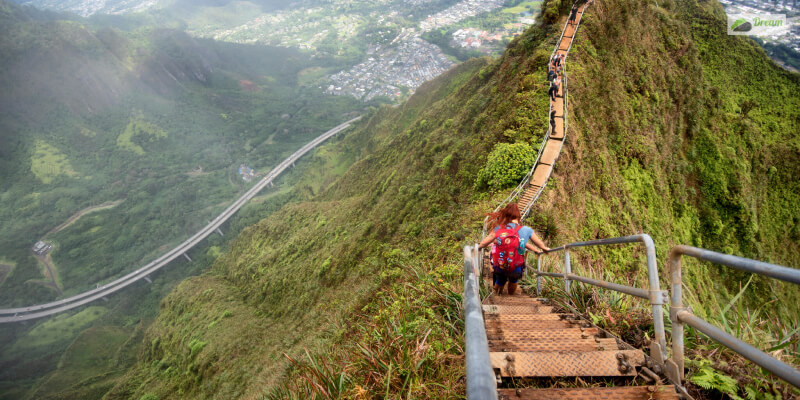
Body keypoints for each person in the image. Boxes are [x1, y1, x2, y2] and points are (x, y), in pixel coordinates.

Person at [478, 203, 549, 295]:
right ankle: (510, 297)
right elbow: (537, 243)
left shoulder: (498, 229)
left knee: (499, 281)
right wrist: (543, 248)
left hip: (501, 265)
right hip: (516, 266)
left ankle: (498, 297)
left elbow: (484, 242)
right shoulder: (527, 230)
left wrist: (477, 247)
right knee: (513, 281)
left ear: (505, 215)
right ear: (518, 216)